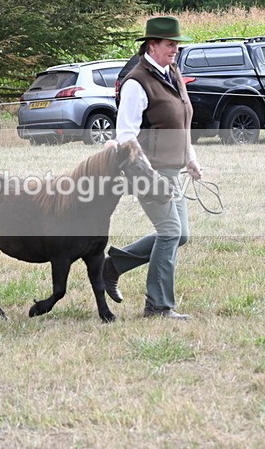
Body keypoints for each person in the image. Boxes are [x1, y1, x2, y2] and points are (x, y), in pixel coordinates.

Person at [103, 16, 203, 320]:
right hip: (150, 173)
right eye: (170, 44)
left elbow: (181, 123)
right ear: (152, 45)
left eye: (176, 44)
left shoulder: (171, 71)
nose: (175, 49)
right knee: (170, 231)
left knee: (180, 235)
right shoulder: (137, 82)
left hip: (174, 170)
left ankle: (114, 264)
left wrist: (190, 157)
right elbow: (126, 134)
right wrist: (148, 175)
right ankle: (158, 306)